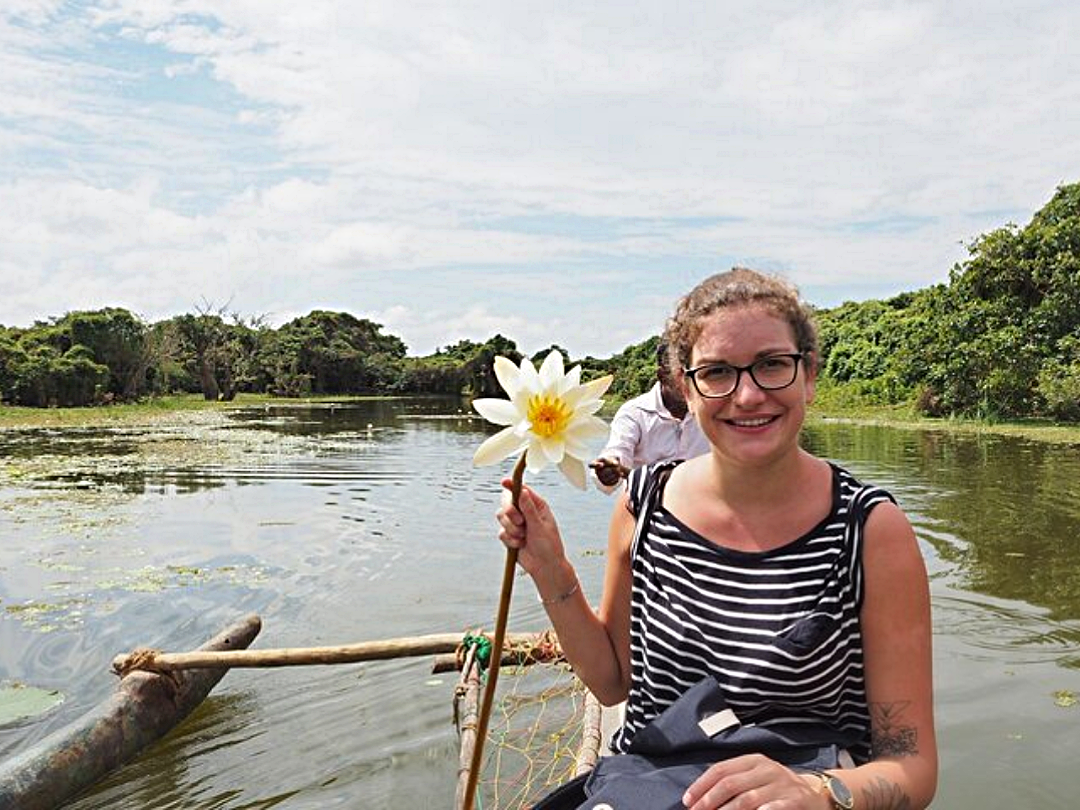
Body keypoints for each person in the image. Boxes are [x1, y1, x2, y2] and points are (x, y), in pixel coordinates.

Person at [497, 268, 937, 809]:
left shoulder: (869, 529)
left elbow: (911, 766)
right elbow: (612, 686)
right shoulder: (643, 504)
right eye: (718, 372)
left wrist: (820, 793)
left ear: (810, 375)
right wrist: (552, 572)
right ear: (686, 386)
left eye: (772, 365)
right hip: (652, 784)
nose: (748, 395)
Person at [589, 340, 710, 491]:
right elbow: (617, 452)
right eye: (680, 375)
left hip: (703, 506)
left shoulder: (712, 409)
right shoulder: (635, 413)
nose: (688, 382)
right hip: (646, 508)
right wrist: (608, 470)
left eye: (694, 373)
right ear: (661, 376)